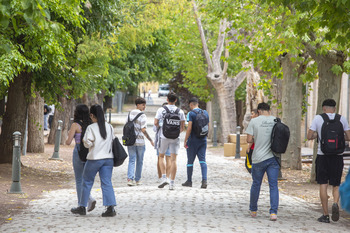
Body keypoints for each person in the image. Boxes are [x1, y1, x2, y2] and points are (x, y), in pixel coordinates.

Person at [307, 99, 350, 223]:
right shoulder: (342, 119)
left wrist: (318, 135)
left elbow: (309, 136)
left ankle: (325, 215)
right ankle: (335, 203)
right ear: (335, 109)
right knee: (336, 184)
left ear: (323, 108)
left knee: (323, 184)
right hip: (337, 155)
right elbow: (349, 137)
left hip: (323, 155)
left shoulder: (318, 119)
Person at [71, 104, 116, 217]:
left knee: (86, 182)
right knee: (106, 182)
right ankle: (110, 207)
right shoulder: (109, 126)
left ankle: (82, 206)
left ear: (92, 115)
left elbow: (87, 143)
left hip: (94, 159)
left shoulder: (91, 128)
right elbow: (113, 140)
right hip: (108, 159)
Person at [245, 102, 279, 221]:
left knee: (256, 184)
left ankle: (253, 210)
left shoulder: (254, 122)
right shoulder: (276, 120)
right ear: (269, 110)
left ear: (258, 111)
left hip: (258, 158)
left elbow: (249, 139)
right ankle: (273, 213)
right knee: (273, 185)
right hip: (273, 158)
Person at [66, 104, 96, 213]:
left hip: (78, 151)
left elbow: (68, 142)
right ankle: (88, 199)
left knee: (79, 179)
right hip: (89, 152)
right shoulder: (91, 124)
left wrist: (69, 134)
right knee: (87, 179)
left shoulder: (75, 125)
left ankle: (82, 205)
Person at [154, 92, 185, 190]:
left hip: (163, 136)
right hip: (175, 138)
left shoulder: (161, 110)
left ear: (167, 99)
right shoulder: (180, 111)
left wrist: (162, 128)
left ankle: (164, 178)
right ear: (176, 100)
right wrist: (175, 133)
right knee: (174, 159)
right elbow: (182, 127)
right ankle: (172, 183)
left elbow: (155, 122)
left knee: (161, 156)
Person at [126, 97, 154, 186]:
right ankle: (137, 179)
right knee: (140, 160)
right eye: (143, 105)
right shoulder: (142, 115)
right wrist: (150, 140)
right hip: (140, 141)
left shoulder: (129, 114)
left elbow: (126, 126)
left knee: (131, 159)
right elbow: (143, 129)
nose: (144, 106)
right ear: (138, 105)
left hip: (130, 141)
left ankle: (130, 179)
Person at [182, 97, 209, 189]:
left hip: (193, 141)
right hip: (203, 140)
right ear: (197, 103)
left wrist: (185, 140)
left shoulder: (191, 114)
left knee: (190, 161)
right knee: (202, 160)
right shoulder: (205, 112)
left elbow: (189, 128)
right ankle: (204, 180)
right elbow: (207, 126)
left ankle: (189, 181)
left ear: (191, 105)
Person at [154, 102, 171, 181]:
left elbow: (154, 129)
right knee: (169, 158)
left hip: (161, 138)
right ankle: (167, 177)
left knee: (160, 157)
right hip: (171, 138)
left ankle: (160, 177)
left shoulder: (160, 114)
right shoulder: (173, 115)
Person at [245, 109, 259, 174]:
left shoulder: (253, 123)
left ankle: (255, 176)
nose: (251, 115)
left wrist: (248, 147)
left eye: (252, 114)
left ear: (257, 114)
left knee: (249, 164)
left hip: (253, 148)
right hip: (260, 148)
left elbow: (252, 137)